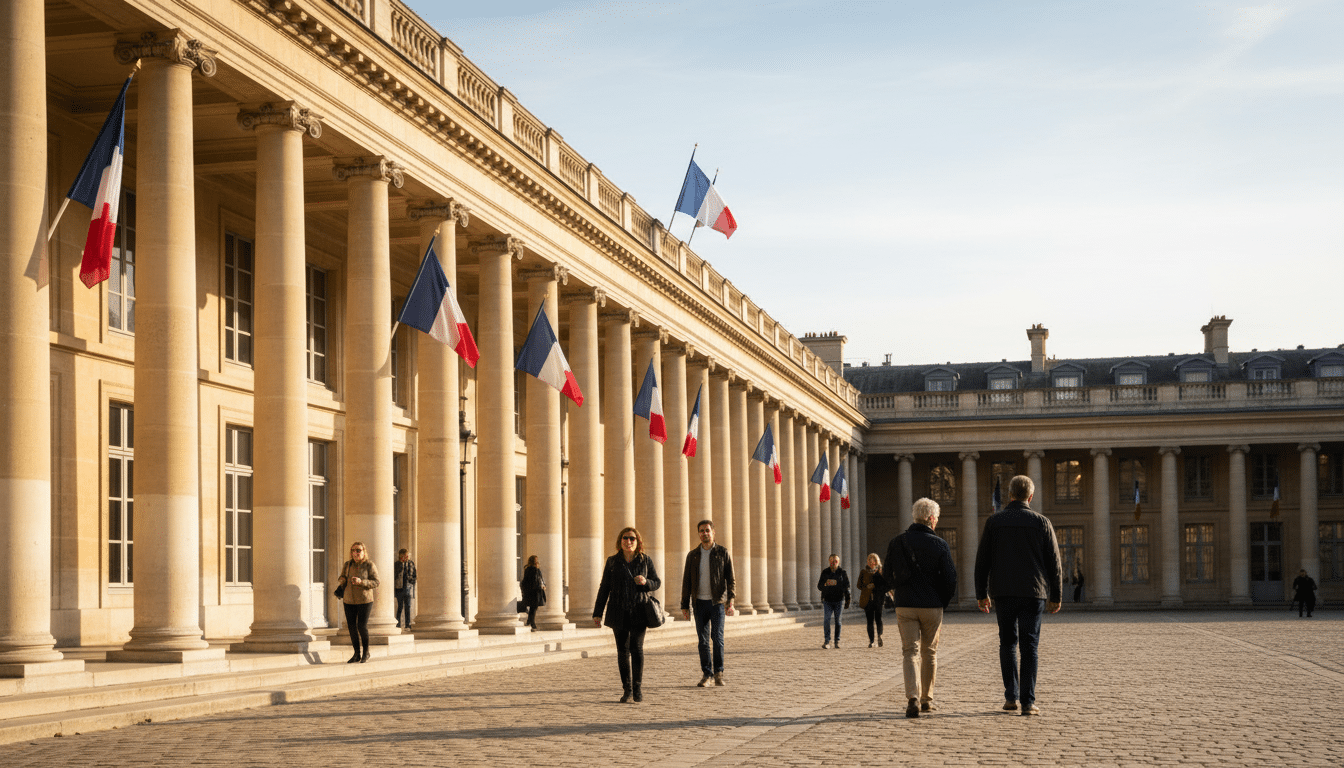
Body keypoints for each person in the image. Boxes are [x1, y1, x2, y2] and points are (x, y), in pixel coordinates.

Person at [975, 475, 1062, 716]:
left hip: (1003, 592)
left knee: (1007, 643)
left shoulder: (994, 522)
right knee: (1030, 646)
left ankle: (1011, 696)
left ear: (1010, 495)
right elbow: (1054, 563)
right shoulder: (1042, 522)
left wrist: (981, 593)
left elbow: (982, 561)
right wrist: (1056, 595)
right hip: (1034, 593)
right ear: (1030, 497)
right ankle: (1027, 702)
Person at [886, 498, 957, 719]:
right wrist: (941, 602)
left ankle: (912, 698)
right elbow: (950, 579)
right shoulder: (940, 545)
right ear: (932, 519)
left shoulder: (897, 542)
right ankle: (926, 700)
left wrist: (896, 593)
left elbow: (887, 575)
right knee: (930, 652)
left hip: (905, 604)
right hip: (931, 605)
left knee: (910, 652)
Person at [593, 527, 661, 703]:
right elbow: (604, 587)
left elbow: (656, 582)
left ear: (637, 542)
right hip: (618, 610)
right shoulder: (612, 562)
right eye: (625, 538)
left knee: (636, 649)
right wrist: (597, 613)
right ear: (620, 541)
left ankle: (638, 688)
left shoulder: (645, 560)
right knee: (622, 652)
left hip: (639, 609)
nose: (628, 541)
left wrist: (646, 582)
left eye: (632, 538)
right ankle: (627, 689)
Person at [680, 519, 736, 687]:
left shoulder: (723, 553)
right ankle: (707, 674)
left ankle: (719, 672)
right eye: (701, 531)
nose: (704, 533)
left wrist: (730, 601)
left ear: (713, 532)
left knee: (717, 638)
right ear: (699, 534)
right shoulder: (692, 555)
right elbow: (686, 582)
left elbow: (731, 579)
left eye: (707, 530)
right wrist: (684, 605)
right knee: (703, 641)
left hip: (717, 603)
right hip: (699, 603)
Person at [338, 542, 380, 663]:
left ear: (363, 551)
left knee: (361, 626)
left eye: (358, 550)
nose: (355, 553)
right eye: (353, 550)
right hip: (349, 600)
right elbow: (342, 577)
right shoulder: (348, 564)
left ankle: (366, 652)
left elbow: (376, 582)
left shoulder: (369, 565)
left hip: (365, 600)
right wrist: (342, 579)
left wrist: (362, 582)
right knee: (351, 628)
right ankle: (356, 653)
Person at [817, 554, 850, 649]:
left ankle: (837, 641)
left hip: (839, 600)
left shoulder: (842, 573)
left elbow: (847, 586)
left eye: (835, 561)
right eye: (831, 561)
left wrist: (847, 599)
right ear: (829, 561)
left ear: (838, 562)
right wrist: (826, 584)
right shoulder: (825, 572)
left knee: (838, 621)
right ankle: (827, 641)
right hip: (827, 600)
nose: (833, 563)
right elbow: (819, 586)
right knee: (826, 620)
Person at [857, 553, 887, 648]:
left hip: (878, 599)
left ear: (876, 561)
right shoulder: (863, 572)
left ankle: (879, 636)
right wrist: (867, 587)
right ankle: (872, 641)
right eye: (869, 560)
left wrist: (876, 585)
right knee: (869, 620)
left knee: (878, 619)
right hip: (868, 600)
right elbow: (859, 585)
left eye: (873, 560)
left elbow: (885, 585)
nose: (871, 561)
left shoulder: (881, 572)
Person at [521, 555, 546, 630]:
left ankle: (529, 621)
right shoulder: (535, 570)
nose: (537, 561)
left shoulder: (528, 569)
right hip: (535, 591)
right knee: (534, 608)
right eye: (536, 560)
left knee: (532, 607)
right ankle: (532, 623)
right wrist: (542, 586)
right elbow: (537, 580)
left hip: (530, 591)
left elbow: (525, 581)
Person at [393, 548, 416, 630]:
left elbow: (414, 575)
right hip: (399, 588)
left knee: (408, 607)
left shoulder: (411, 563)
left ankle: (407, 624)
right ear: (400, 556)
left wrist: (412, 582)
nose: (406, 557)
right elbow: (394, 576)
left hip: (408, 588)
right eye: (404, 556)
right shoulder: (397, 564)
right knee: (399, 606)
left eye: (407, 556)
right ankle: (398, 624)